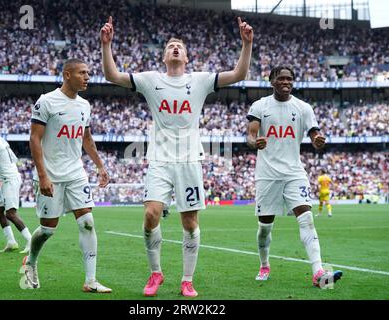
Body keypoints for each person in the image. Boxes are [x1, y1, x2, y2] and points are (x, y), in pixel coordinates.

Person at [100, 16, 253, 297]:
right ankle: (156, 273)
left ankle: (186, 279)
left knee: (189, 223)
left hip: (189, 160)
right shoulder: (150, 80)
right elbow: (113, 76)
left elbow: (238, 74)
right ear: (163, 55)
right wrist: (106, 45)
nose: (174, 48)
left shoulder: (200, 80)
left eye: (178, 46)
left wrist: (246, 44)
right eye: (170, 45)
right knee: (150, 214)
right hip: (159, 159)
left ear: (186, 56)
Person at [246, 66, 343, 288]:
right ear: (271, 81)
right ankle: (264, 264)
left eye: (289, 78)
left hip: (294, 172)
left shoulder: (303, 108)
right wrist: (255, 142)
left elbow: (314, 133)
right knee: (264, 228)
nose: (285, 82)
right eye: (281, 78)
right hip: (267, 174)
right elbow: (251, 136)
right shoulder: (260, 105)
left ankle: (318, 272)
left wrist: (318, 140)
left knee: (307, 218)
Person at [22, 58, 111, 293]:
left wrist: (100, 166)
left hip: (75, 173)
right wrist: (42, 176)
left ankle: (90, 281)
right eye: (82, 73)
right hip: (50, 174)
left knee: (88, 223)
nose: (87, 78)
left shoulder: (85, 105)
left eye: (88, 73)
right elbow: (34, 139)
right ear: (67, 74)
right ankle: (30, 261)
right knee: (48, 229)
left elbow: (87, 139)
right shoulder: (46, 102)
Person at [0, 121, 32, 253]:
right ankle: (11, 242)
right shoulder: (1, 140)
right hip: (8, 178)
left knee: (10, 214)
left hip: (9, 179)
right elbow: (14, 159)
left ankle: (31, 242)